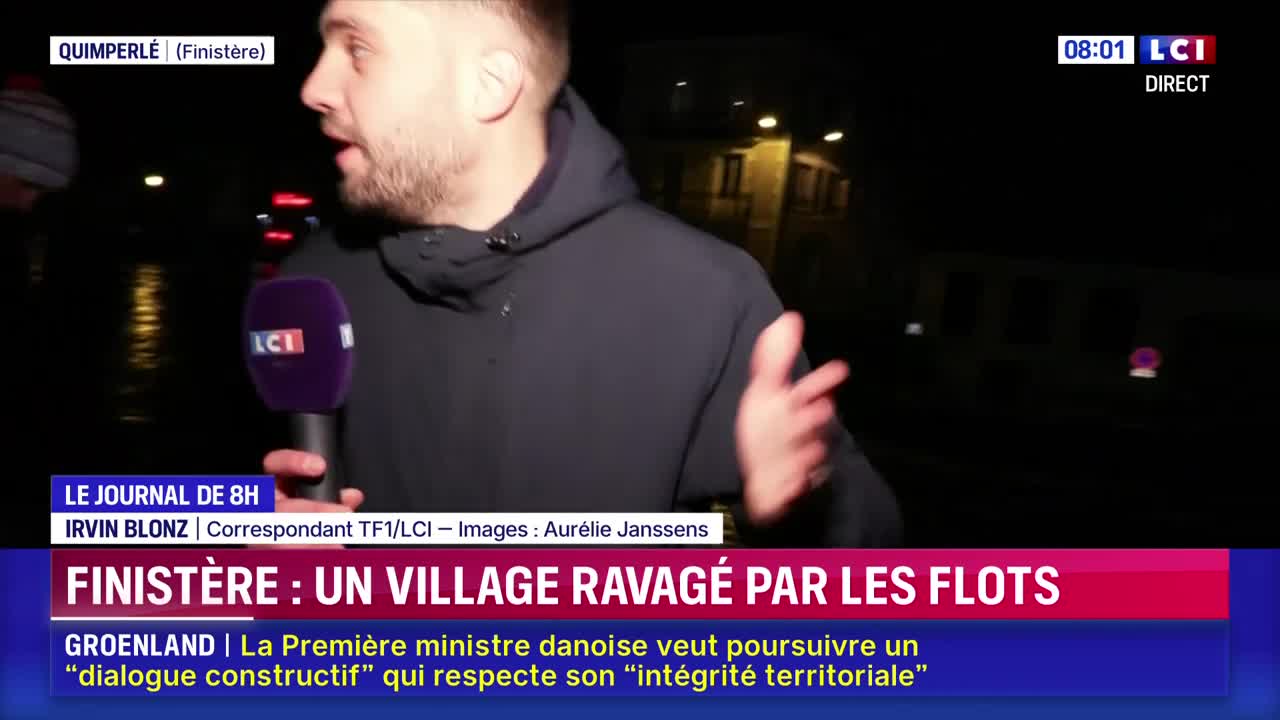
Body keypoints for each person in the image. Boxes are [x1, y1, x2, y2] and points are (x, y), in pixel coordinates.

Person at [267, 0, 901, 547]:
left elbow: (874, 570)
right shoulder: (310, 287)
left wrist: (799, 515)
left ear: (489, 84)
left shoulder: (703, 295)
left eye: (357, 48)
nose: (313, 85)